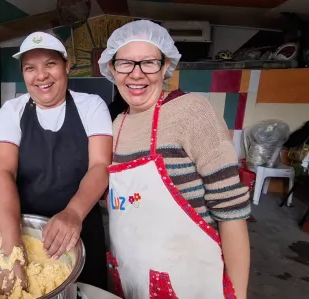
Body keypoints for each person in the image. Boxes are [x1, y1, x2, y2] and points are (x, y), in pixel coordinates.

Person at [97, 20, 251, 298]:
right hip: (132, 276)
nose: (136, 74)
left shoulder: (192, 112)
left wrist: (237, 294)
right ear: (111, 68)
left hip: (189, 278)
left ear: (166, 66)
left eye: (148, 63)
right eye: (125, 63)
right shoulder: (117, 124)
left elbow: (231, 212)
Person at [0, 32, 112, 293]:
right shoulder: (12, 111)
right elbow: (2, 172)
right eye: (30, 68)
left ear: (66, 66)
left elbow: (100, 166)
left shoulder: (91, 106)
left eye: (50, 64)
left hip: (82, 225)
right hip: (25, 228)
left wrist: (73, 213)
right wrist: (13, 249)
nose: (41, 75)